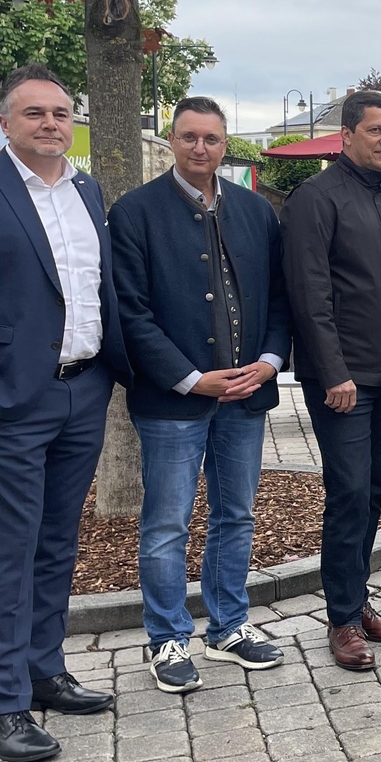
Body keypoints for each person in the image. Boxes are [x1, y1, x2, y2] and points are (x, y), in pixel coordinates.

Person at [0, 64, 130, 762]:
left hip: (82, 391)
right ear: (6, 122)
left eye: (62, 113)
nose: (51, 123)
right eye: (34, 112)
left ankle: (45, 670)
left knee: (58, 543)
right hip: (9, 399)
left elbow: (94, 286)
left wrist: (104, 372)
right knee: (9, 552)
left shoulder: (87, 188)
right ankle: (3, 703)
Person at [108, 97, 292, 693]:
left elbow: (280, 299)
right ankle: (166, 638)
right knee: (166, 523)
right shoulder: (135, 212)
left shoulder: (256, 212)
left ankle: (228, 627)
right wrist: (189, 377)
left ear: (225, 143)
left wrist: (267, 362)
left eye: (212, 139)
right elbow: (129, 312)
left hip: (246, 395)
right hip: (173, 401)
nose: (200, 149)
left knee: (236, 515)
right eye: (189, 137)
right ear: (170, 140)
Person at [281, 90, 381, 672]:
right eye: (376, 131)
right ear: (347, 135)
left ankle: (357, 600)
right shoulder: (315, 200)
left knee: (371, 493)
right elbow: (308, 294)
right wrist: (334, 371)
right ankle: (341, 619)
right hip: (344, 381)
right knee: (346, 496)